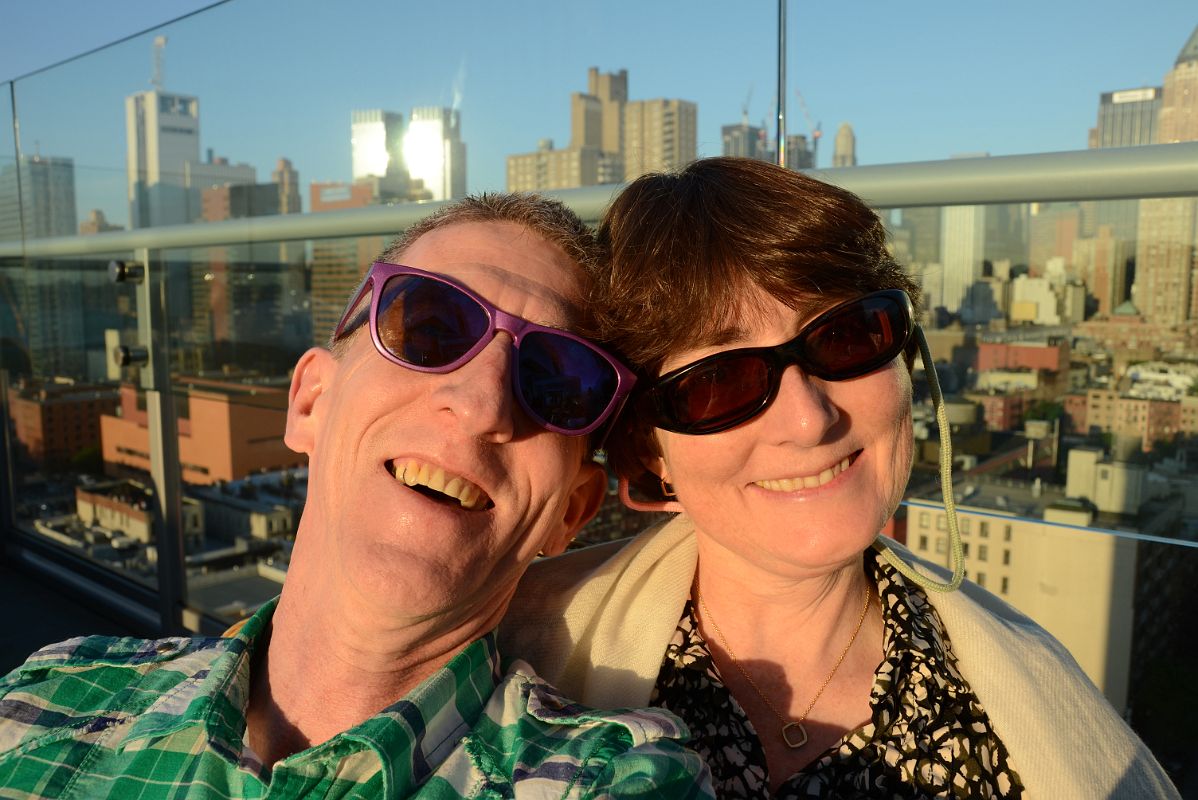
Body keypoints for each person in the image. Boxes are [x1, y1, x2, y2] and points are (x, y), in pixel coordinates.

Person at [500, 159, 1179, 799]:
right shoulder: (512, 665)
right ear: (650, 450)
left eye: (847, 337)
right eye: (718, 383)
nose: (808, 418)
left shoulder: (1044, 712)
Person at [0, 194, 714, 799]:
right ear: (311, 399)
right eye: (433, 328)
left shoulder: (615, 778)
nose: (482, 403)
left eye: (558, 382)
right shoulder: (51, 697)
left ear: (573, 511)